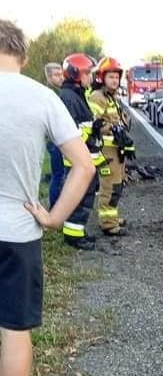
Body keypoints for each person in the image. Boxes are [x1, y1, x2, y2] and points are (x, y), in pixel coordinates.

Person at [0, 19, 95, 376]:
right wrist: (55, 217)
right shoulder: (42, 98)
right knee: (14, 328)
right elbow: (85, 165)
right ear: (21, 54)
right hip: (17, 231)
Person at [59, 53, 106, 250]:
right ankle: (74, 236)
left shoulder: (77, 95)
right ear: (76, 74)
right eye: (87, 73)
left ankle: (78, 230)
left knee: (85, 198)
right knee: (80, 198)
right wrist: (92, 129)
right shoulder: (70, 98)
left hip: (84, 159)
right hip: (77, 161)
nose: (91, 77)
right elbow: (71, 133)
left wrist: (93, 126)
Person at [88, 57, 135, 235]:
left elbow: (120, 121)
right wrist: (113, 128)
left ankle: (112, 217)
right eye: (111, 77)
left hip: (117, 150)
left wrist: (123, 133)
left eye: (116, 77)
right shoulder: (97, 97)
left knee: (118, 185)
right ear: (102, 78)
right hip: (106, 150)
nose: (115, 80)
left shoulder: (112, 97)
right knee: (110, 186)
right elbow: (94, 126)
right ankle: (108, 224)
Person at [44, 62, 65, 208]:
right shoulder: (49, 93)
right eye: (57, 75)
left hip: (57, 138)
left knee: (60, 173)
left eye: (62, 74)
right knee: (58, 174)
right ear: (49, 76)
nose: (61, 78)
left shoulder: (58, 91)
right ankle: (54, 206)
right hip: (54, 140)